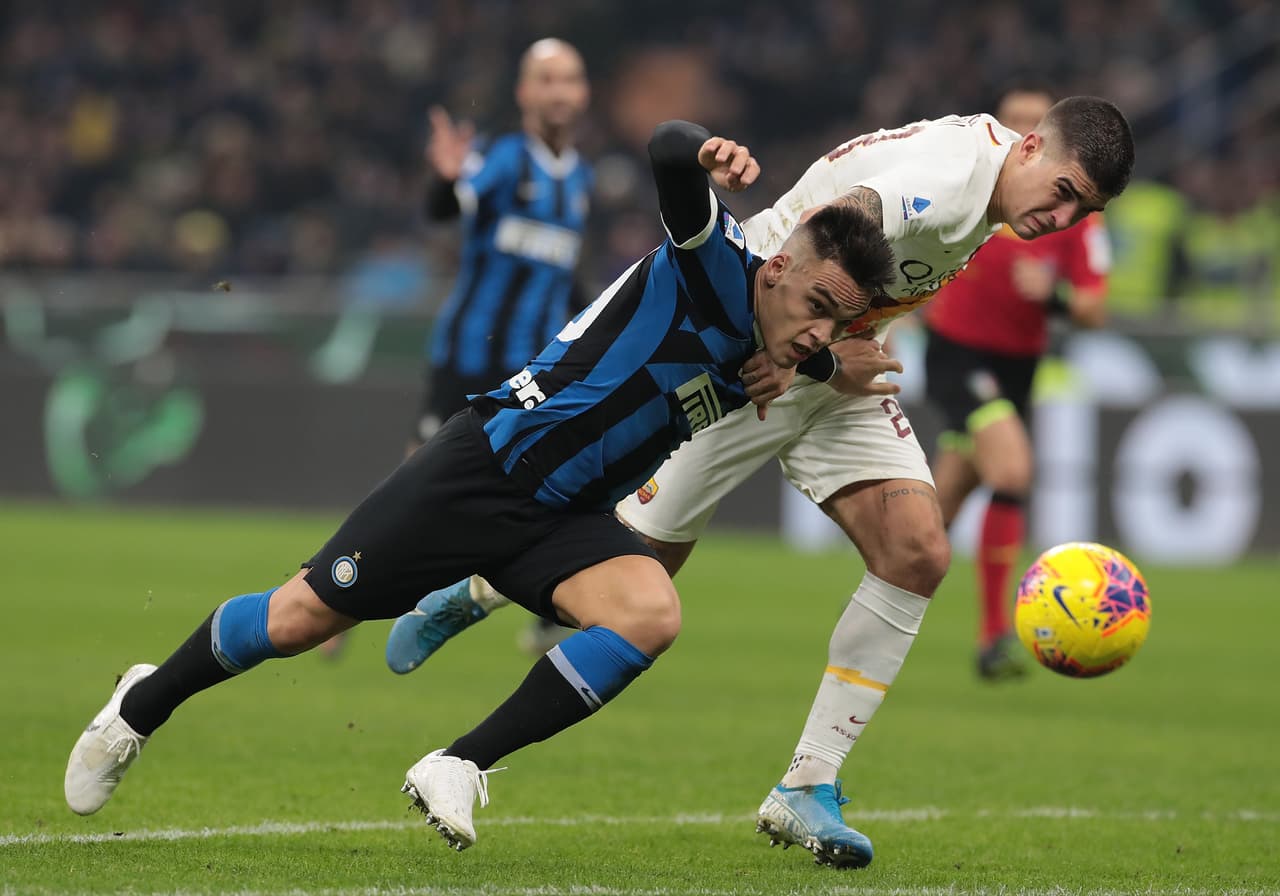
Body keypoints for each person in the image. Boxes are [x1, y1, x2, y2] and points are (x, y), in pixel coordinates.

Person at [63, 120, 898, 858]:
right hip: (482, 470)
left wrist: (825, 363)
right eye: (817, 305)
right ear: (777, 267)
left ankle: (459, 763)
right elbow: (666, 151)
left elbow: (802, 346)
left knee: (651, 613)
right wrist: (704, 149)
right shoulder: (712, 264)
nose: (820, 331)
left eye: (840, 321)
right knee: (300, 619)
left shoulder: (780, 347)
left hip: (565, 517)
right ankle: (141, 705)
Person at [384, 97, 1135, 867]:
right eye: (1065, 191)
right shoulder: (946, 181)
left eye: (1084, 210)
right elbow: (842, 220)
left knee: (917, 552)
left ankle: (807, 784)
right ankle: (477, 594)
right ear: (1032, 146)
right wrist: (801, 354)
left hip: (831, 368)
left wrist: (833, 356)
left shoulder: (993, 182)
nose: (1064, 217)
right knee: (632, 578)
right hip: (757, 357)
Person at [321, 37, 592, 660]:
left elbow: (565, 276)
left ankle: (553, 606)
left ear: (583, 94)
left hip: (528, 368)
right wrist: (444, 179)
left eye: (570, 79)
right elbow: (448, 206)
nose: (559, 91)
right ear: (524, 92)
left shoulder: (580, 177)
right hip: (467, 356)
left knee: (559, 481)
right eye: (546, 78)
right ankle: (333, 598)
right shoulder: (505, 159)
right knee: (410, 489)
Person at [920, 86, 1112, 679]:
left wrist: (1054, 295)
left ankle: (883, 594)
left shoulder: (1072, 219)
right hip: (958, 357)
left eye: (1036, 119)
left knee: (937, 513)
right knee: (1013, 471)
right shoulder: (970, 186)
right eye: (1016, 121)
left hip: (1017, 369)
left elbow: (1094, 308)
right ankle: (993, 635)